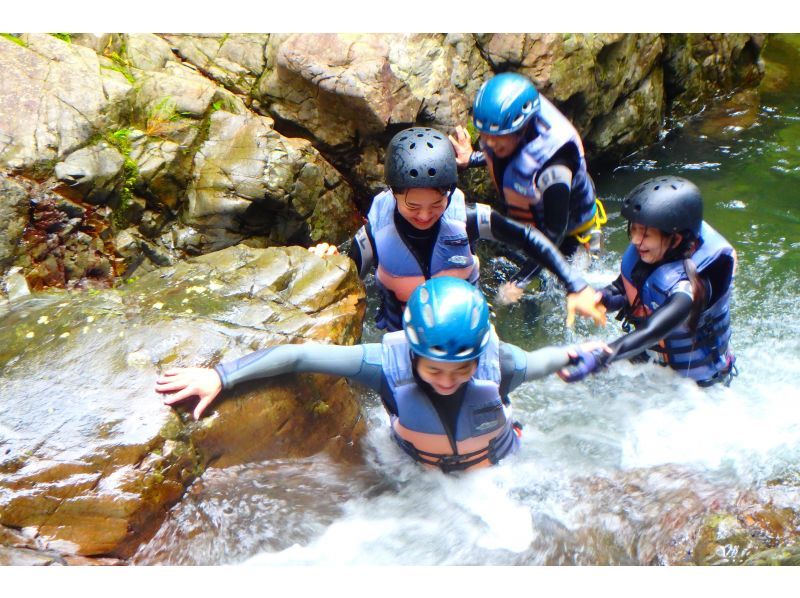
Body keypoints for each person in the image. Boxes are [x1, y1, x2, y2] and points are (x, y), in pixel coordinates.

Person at [156, 277, 610, 473]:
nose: (449, 381)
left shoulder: (500, 363)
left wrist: (579, 352)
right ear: (412, 352)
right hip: (417, 476)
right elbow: (299, 358)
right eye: (435, 370)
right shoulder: (380, 366)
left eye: (462, 370)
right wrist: (221, 375)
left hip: (500, 469)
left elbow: (542, 362)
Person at [311, 126, 605, 332]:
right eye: (412, 207)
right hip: (401, 335)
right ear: (393, 194)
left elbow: (529, 239)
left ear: (450, 194)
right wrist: (326, 262)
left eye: (436, 204)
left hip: (465, 333)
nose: (425, 215)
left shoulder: (468, 218)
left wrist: (574, 285)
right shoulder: (374, 236)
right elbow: (343, 276)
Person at [559, 176, 738, 387]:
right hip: (652, 365)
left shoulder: (687, 289)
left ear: (676, 239)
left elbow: (652, 332)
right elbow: (623, 289)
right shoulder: (653, 253)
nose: (635, 240)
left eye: (645, 234)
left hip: (697, 388)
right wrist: (600, 298)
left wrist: (601, 356)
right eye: (633, 229)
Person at [449, 72, 607, 265]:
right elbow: (508, 156)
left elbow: (554, 235)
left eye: (497, 138)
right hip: (536, 221)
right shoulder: (508, 135)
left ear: (521, 129)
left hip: (571, 233)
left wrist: (520, 281)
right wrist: (471, 158)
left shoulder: (555, 167)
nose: (489, 143)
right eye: (485, 136)